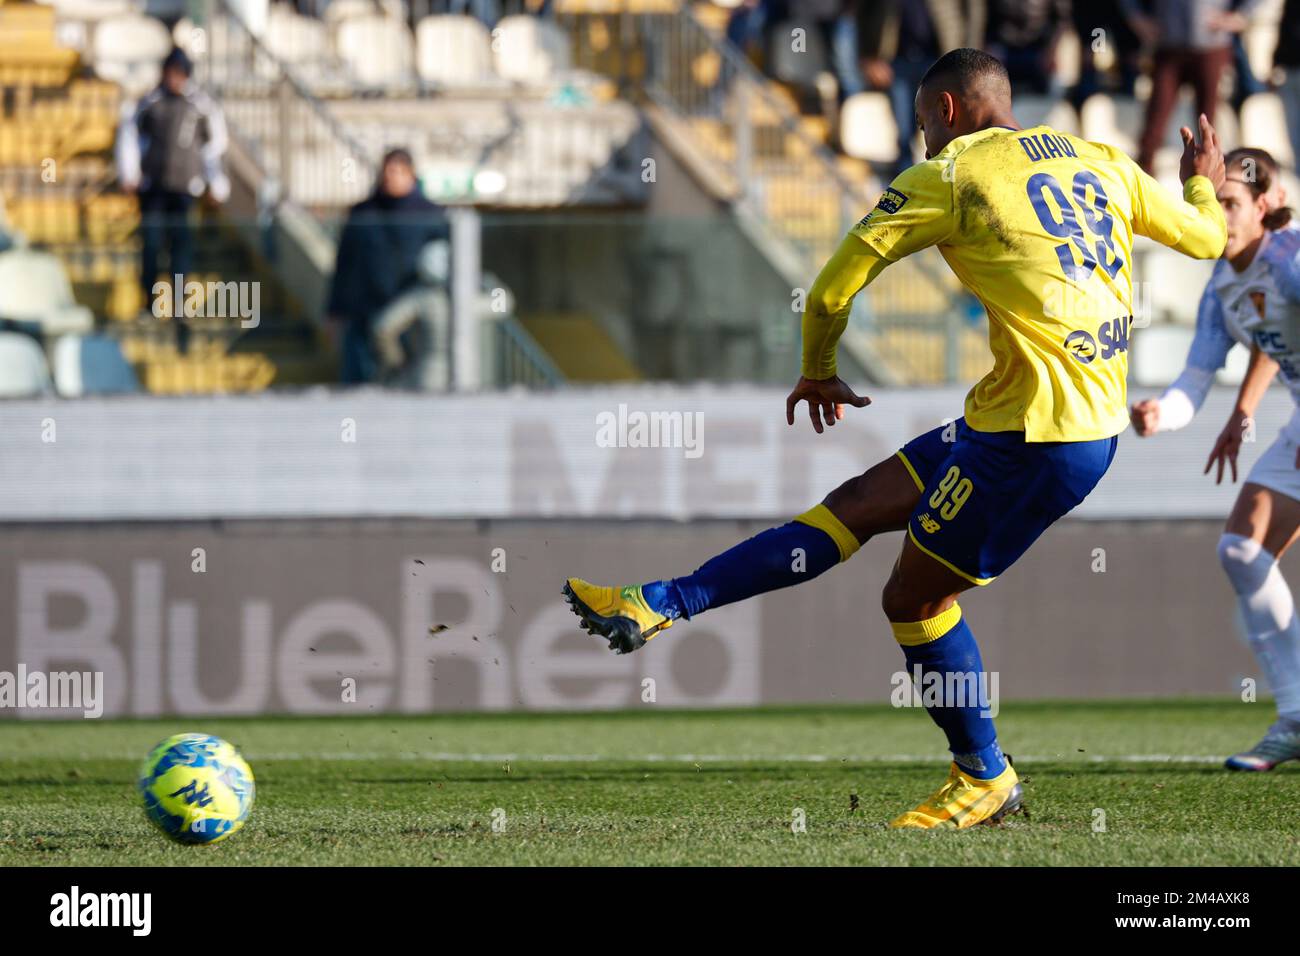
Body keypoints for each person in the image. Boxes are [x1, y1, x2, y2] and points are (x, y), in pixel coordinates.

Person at [563, 48, 1227, 828]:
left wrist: (817, 370)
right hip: (1026, 417)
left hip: (1038, 439)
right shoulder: (1101, 160)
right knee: (854, 504)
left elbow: (832, 288)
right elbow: (1208, 238)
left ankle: (984, 774)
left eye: (919, 124)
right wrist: (1200, 179)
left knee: (913, 596)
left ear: (946, 112)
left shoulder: (951, 176)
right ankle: (657, 602)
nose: (919, 140)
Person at [1131, 147, 1300, 770]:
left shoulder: (1289, 262)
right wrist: (1163, 413)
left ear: (1263, 207)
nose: (1221, 215)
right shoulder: (1223, 287)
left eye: (1232, 203)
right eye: (1214, 201)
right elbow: (1196, 379)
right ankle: (1297, 714)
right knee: (1242, 550)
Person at [115, 46, 230, 342]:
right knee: (151, 245)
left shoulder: (201, 106)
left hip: (184, 190)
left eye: (180, 74)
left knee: (181, 249)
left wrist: (215, 184)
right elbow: (130, 138)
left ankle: (179, 308)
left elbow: (212, 149)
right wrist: (130, 174)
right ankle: (150, 303)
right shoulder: (149, 103)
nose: (175, 79)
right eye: (171, 73)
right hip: (153, 189)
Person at [326, 148, 449, 385]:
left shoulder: (431, 214)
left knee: (405, 388)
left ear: (411, 174)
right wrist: (334, 310)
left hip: (410, 317)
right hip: (364, 313)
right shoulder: (363, 213)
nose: (392, 177)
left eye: (398, 171)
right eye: (388, 171)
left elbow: (443, 262)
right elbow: (345, 264)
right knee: (359, 385)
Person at [1126, 0, 1257, 172]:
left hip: (1211, 49)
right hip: (1168, 49)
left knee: (1207, 123)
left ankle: (1212, 183)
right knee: (1156, 119)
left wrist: (1239, 16)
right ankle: (1142, 178)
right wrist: (1137, 19)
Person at [371, 239, 452, 391]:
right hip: (469, 375)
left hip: (428, 377)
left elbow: (382, 328)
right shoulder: (468, 300)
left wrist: (397, 361)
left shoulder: (421, 298)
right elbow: (505, 303)